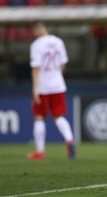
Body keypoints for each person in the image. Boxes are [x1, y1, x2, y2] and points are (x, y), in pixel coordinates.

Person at [27, 21, 75, 160]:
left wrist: (35, 90)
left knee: (39, 116)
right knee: (58, 116)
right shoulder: (58, 41)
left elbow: (36, 68)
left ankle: (40, 151)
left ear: (36, 30)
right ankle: (69, 140)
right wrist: (57, 77)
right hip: (58, 84)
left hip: (43, 86)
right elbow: (63, 64)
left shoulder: (36, 45)